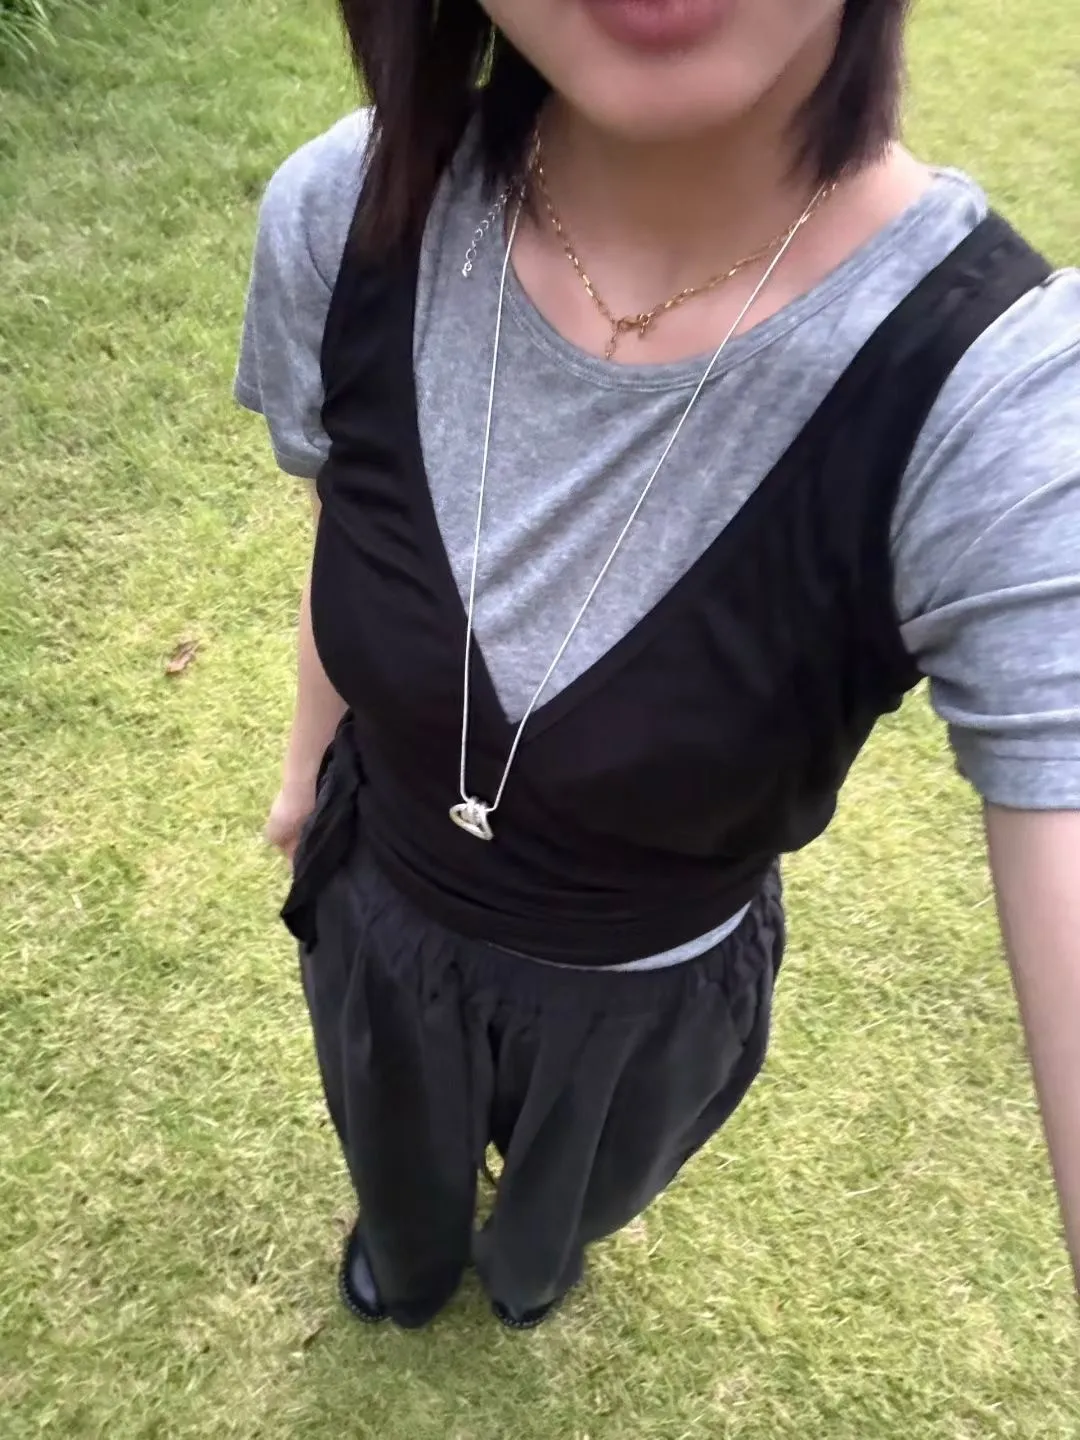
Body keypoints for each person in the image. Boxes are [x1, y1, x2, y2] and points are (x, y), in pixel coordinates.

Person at [235, 0, 1080, 1331]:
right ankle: (405, 1260)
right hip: (379, 914)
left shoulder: (1005, 400)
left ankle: (534, 1267)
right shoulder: (349, 211)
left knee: (564, 1214)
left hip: (644, 1001)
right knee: (393, 1171)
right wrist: (304, 769)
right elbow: (348, 518)